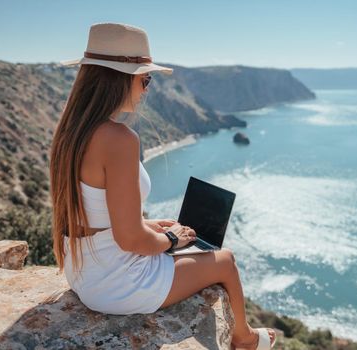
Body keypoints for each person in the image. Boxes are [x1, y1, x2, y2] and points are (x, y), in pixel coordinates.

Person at [50, 22, 276, 349]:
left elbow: (94, 213)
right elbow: (130, 239)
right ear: (120, 79)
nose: (147, 88)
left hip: (85, 272)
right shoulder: (120, 139)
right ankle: (245, 338)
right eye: (146, 78)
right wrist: (169, 239)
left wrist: (150, 225)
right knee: (225, 261)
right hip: (118, 284)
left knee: (191, 245)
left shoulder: (71, 132)